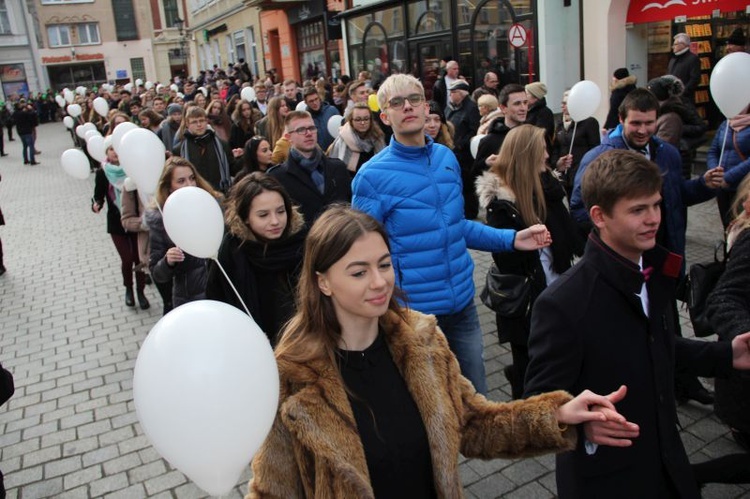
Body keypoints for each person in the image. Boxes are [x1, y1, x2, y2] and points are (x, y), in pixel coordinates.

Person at [247, 205, 628, 498]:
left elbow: (475, 424)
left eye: (384, 264)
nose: (379, 282)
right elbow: (272, 490)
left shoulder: (422, 340)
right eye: (358, 272)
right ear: (324, 282)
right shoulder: (292, 376)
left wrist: (558, 415)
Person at [524, 149, 750, 499]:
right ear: (599, 216)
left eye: (656, 205)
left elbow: (655, 345)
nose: (653, 219)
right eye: (638, 210)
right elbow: (537, 405)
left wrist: (727, 355)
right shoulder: (564, 304)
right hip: (608, 478)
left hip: (663, 457)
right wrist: (576, 426)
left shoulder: (653, 271)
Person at [352, 74, 553, 394]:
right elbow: (361, 252)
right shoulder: (371, 177)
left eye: (414, 99)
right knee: (429, 407)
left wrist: (512, 239)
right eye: (397, 102)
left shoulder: (446, 158)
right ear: (385, 116)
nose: (408, 107)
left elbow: (456, 226)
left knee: (476, 397)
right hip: (413, 315)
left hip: (462, 303)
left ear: (425, 106)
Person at [476, 125, 583, 399]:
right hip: (525, 298)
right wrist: (524, 238)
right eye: (542, 150)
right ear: (525, 155)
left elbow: (572, 236)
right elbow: (505, 257)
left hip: (558, 284)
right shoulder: (501, 201)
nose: (547, 156)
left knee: (559, 354)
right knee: (529, 363)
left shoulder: (549, 185)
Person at [206, 173, 305, 344]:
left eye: (280, 211)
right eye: (263, 215)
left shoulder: (302, 241)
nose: (275, 221)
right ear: (246, 218)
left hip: (303, 343)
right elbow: (217, 304)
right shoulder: (231, 251)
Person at [145, 157, 221, 308]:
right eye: (181, 181)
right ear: (170, 187)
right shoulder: (161, 221)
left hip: (221, 291)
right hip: (190, 300)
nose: (190, 184)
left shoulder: (213, 205)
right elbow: (158, 274)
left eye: (192, 178)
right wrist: (168, 261)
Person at [268, 110, 351, 225]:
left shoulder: (338, 168)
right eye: (301, 130)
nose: (308, 133)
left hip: (340, 237)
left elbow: (349, 207)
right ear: (288, 137)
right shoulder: (278, 177)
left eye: (312, 128)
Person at [93, 145, 149, 309]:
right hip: (116, 223)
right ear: (106, 152)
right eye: (111, 149)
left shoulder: (131, 170)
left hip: (134, 221)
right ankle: (128, 289)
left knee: (138, 258)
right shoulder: (103, 172)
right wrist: (96, 204)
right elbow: (98, 195)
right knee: (127, 259)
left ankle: (141, 291)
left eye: (117, 148)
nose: (114, 152)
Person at [648, 75, 707, 179]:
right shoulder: (663, 112)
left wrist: (680, 129)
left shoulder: (671, 116)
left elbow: (662, 149)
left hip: (677, 159)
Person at [173, 106, 242, 193]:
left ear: (206, 121)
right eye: (194, 122)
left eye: (201, 120)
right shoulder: (179, 150)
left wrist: (242, 158)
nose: (199, 125)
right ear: (187, 124)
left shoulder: (222, 144)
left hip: (220, 194)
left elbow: (232, 169)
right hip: (193, 195)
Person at [707, 103, 750, 228]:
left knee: (742, 227)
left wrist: (728, 177)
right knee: (728, 226)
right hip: (722, 187)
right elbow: (713, 151)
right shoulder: (726, 124)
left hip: (743, 187)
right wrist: (714, 172)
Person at [551, 89, 601, 196]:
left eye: (566, 103)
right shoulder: (559, 123)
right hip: (563, 175)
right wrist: (556, 163)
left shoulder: (589, 122)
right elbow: (556, 147)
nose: (562, 106)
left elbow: (595, 149)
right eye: (562, 103)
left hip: (581, 173)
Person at [474, 83, 528, 175]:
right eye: (517, 103)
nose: (523, 108)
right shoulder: (489, 141)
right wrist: (486, 164)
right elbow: (474, 177)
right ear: (503, 108)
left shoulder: (533, 135)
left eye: (525, 103)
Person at [446, 79, 481, 219]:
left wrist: (461, 144)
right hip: (453, 151)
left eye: (453, 93)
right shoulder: (451, 107)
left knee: (467, 185)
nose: (450, 96)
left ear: (460, 93)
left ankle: (471, 214)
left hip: (465, 155)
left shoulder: (471, 108)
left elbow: (474, 130)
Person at [327, 102, 385, 176]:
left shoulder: (378, 138)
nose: (363, 122)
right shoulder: (343, 140)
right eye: (358, 119)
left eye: (366, 119)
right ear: (351, 121)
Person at [668, 33, 701, 105]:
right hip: (672, 99)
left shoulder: (693, 59)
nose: (673, 47)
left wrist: (682, 92)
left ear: (682, 44)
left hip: (685, 100)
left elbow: (695, 79)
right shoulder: (673, 59)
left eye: (675, 44)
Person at [525, 81, 555, 150]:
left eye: (527, 94)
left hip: (540, 150)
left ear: (536, 97)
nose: (524, 97)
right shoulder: (527, 111)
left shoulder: (545, 112)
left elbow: (540, 133)